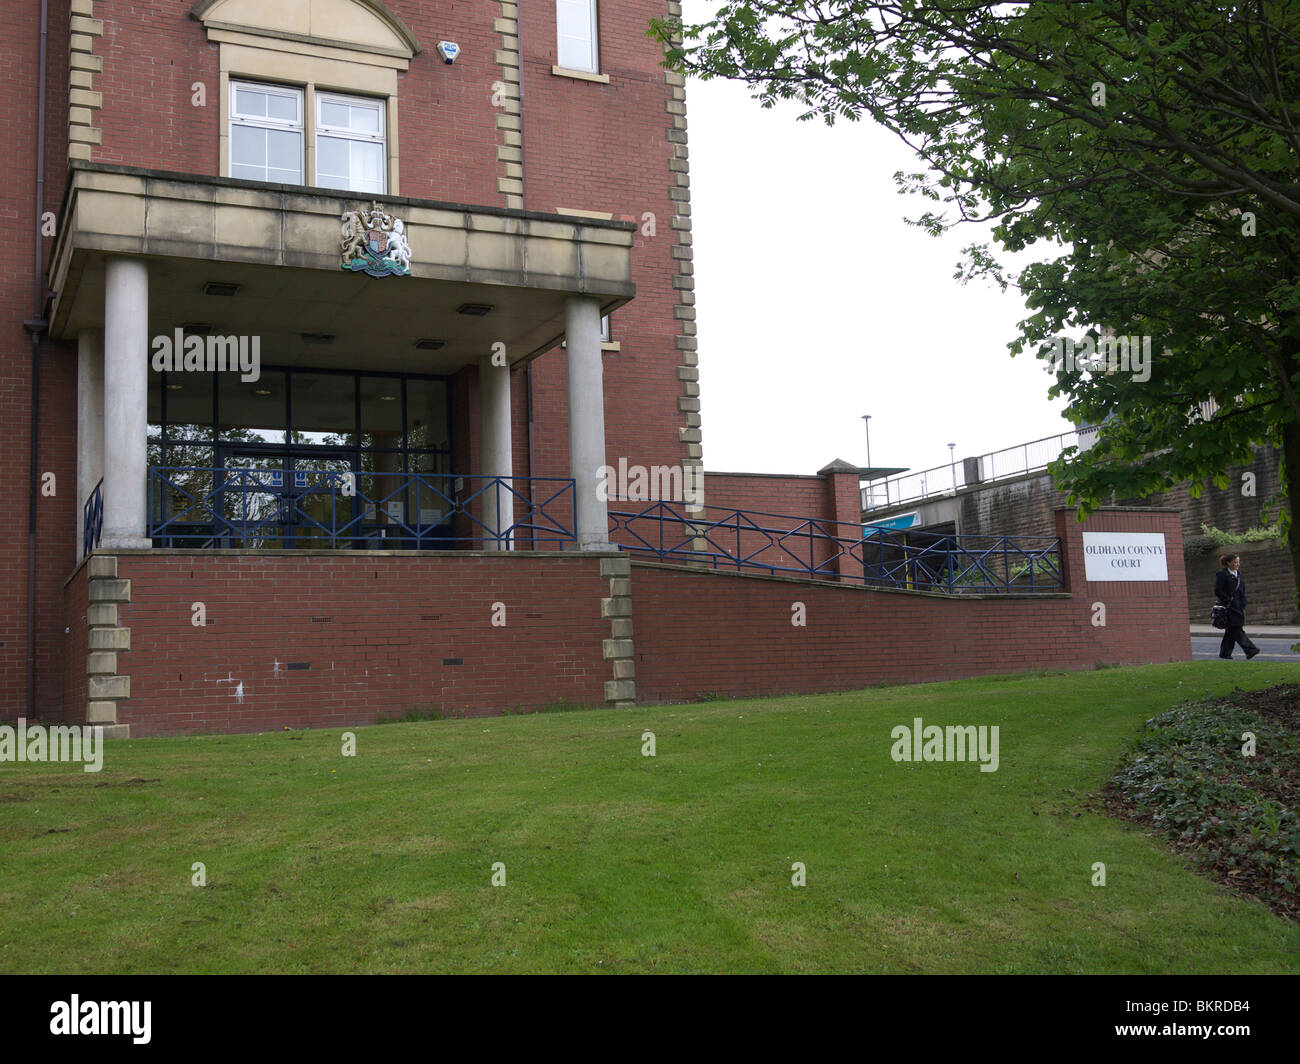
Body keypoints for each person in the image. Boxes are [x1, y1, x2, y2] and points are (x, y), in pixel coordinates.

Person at [1214, 553, 1260, 660]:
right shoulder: (1222, 574)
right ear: (1228, 563)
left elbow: (1242, 590)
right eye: (1235, 562)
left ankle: (1225, 653)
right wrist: (1228, 600)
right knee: (1236, 627)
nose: (1237, 564)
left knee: (1232, 629)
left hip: (1238, 606)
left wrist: (1243, 602)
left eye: (1238, 562)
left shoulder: (1238, 574)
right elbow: (1218, 590)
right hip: (1228, 607)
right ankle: (1250, 649)